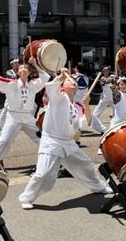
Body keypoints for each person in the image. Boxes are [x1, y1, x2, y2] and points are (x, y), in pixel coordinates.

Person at [18, 70, 112, 210]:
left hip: (69, 142)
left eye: (74, 80)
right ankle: (26, 197)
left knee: (86, 164)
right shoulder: (57, 97)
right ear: (63, 85)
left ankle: (98, 187)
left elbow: (85, 124)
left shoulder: (78, 105)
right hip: (51, 141)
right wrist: (61, 76)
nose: (73, 81)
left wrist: (87, 106)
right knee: (44, 174)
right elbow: (51, 86)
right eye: (70, 80)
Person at [0, 58, 50, 162]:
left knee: (41, 137)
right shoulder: (12, 84)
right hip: (13, 116)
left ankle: (49, 158)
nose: (23, 69)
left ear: (30, 72)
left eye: (26, 68)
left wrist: (35, 64)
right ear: (17, 72)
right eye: (21, 67)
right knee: (5, 140)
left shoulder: (33, 85)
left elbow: (44, 77)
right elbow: (1, 80)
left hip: (28, 116)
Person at [0, 59, 20, 131]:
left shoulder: (20, 70)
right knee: (6, 108)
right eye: (15, 63)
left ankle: (20, 124)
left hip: (19, 91)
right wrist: (20, 73)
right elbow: (13, 78)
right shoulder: (9, 72)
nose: (17, 64)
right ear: (12, 65)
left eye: (18, 63)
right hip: (10, 92)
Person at [90, 66, 116, 134]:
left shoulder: (111, 77)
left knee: (117, 111)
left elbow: (115, 84)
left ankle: (115, 126)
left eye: (107, 70)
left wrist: (116, 78)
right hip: (104, 98)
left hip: (111, 98)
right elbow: (106, 81)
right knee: (95, 114)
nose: (106, 72)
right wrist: (113, 78)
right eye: (104, 70)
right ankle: (101, 128)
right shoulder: (102, 78)